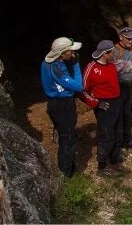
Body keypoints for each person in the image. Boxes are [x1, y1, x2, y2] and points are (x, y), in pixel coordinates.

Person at [82, 40, 132, 176]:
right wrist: (96, 103)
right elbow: (82, 91)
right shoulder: (91, 68)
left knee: (117, 132)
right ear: (105, 54)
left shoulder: (113, 65)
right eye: (111, 52)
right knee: (106, 135)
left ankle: (114, 160)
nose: (114, 54)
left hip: (116, 102)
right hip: (104, 105)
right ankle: (102, 167)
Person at [41, 37, 84, 177]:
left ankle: (66, 166)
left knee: (65, 133)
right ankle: (66, 172)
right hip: (62, 105)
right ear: (61, 53)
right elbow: (78, 86)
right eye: (70, 52)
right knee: (68, 137)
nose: (72, 54)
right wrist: (76, 65)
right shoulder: (56, 68)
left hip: (56, 103)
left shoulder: (49, 63)